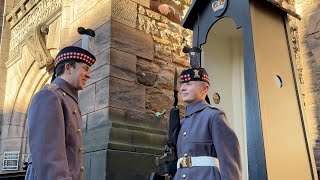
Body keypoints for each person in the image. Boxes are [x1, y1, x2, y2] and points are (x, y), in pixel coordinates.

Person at [25, 46, 96, 180]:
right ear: (68, 68)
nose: (89, 74)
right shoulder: (49, 95)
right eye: (85, 68)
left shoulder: (67, 99)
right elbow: (50, 158)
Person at [173, 67, 242, 180]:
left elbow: (230, 163)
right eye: (182, 85)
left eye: (189, 84)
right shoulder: (181, 122)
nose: (182, 88)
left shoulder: (214, 116)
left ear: (205, 89)